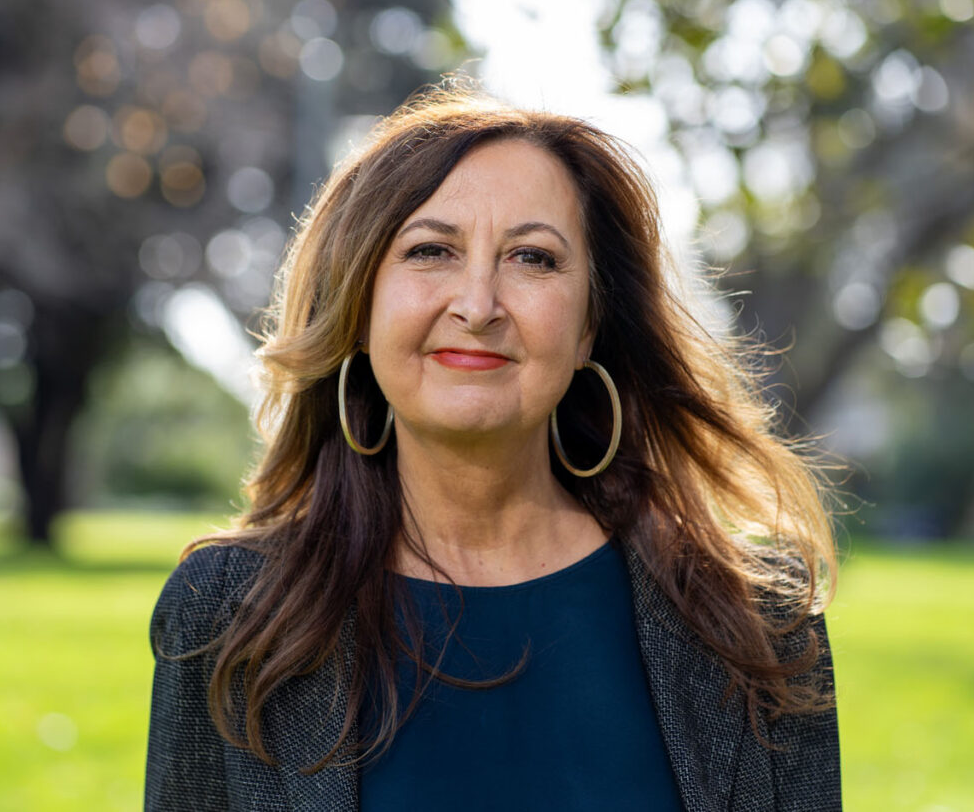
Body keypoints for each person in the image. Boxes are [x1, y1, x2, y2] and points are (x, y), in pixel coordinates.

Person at [145, 87, 841, 811]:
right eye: (430, 251)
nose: (478, 305)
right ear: (357, 306)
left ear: (587, 328)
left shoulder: (759, 620)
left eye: (533, 258)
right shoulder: (228, 615)